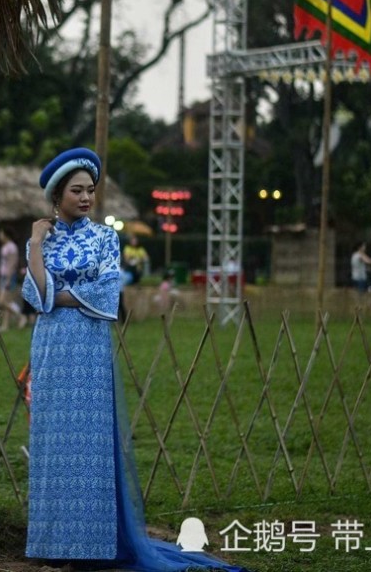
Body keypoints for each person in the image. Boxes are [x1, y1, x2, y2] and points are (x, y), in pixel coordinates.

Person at [22, 147, 240, 572]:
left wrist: (57, 296)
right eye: (77, 190)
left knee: (90, 444)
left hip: (88, 348)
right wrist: (34, 246)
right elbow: (33, 296)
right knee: (53, 443)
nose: (86, 198)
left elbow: (106, 297)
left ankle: (90, 545)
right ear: (56, 194)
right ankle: (55, 543)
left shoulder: (105, 238)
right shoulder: (41, 240)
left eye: (91, 190)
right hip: (50, 349)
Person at [0, 227, 23, 330]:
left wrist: (8, 278)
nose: (0, 236)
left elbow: (12, 264)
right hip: (3, 275)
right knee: (7, 301)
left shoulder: (12, 247)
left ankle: (20, 317)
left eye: (1, 234)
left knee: (2, 301)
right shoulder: (4, 247)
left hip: (9, 276)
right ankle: (5, 325)